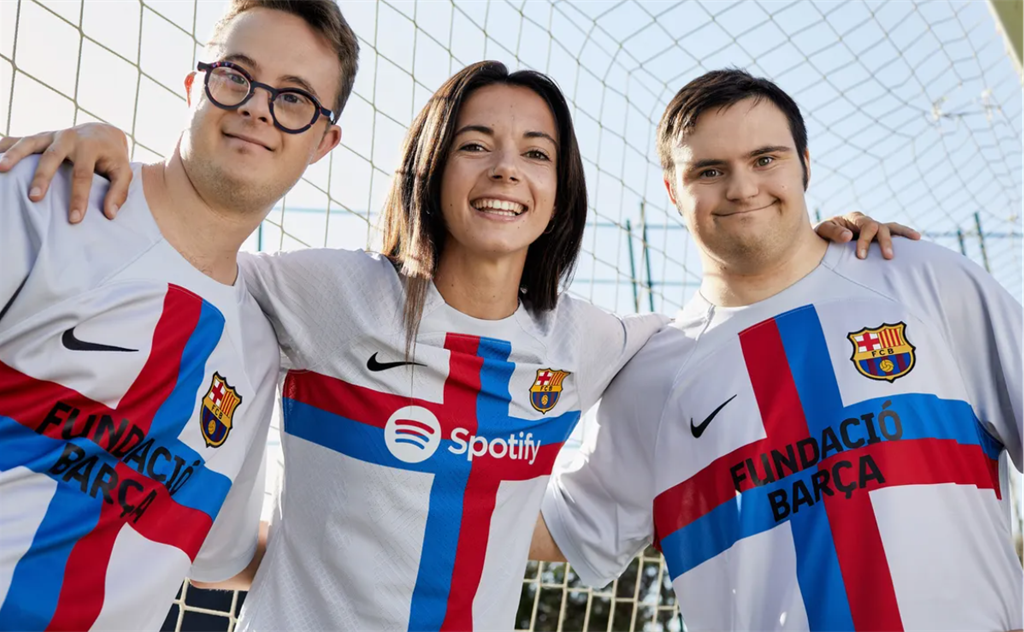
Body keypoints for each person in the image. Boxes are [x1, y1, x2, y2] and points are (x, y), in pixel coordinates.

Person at [1, 68, 913, 632]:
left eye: (536, 152)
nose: (506, 167)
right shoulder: (321, 291)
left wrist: (818, 251)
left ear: (561, 188)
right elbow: (194, 248)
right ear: (433, 166)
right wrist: (106, 151)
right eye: (476, 144)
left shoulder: (598, 343)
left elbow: (731, 321)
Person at [533, 69, 1024, 632]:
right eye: (709, 171)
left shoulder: (922, 278)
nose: (743, 189)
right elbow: (559, 530)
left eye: (765, 159)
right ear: (672, 190)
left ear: (805, 165)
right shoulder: (651, 377)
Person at [0, 1, 359, 630]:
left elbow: (219, 555)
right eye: (236, 76)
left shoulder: (256, 350)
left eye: (294, 98)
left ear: (323, 143)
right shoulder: (42, 198)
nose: (257, 108)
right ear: (195, 86)